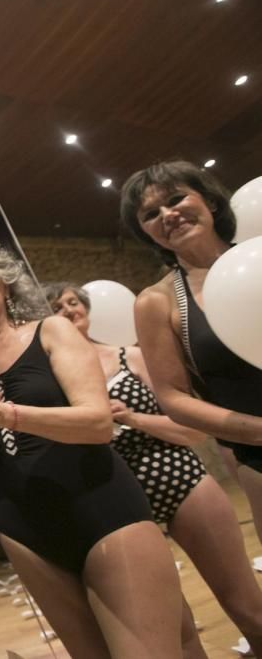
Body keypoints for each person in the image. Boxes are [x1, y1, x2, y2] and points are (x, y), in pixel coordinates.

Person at [0, 244, 183, 658]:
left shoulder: (52, 330)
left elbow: (97, 423)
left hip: (100, 505)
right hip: (24, 527)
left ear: (5, 285)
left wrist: (6, 414)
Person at [49, 282, 262, 655]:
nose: (68, 310)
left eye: (73, 302)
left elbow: (193, 430)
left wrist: (133, 418)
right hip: (117, 504)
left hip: (179, 479)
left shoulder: (130, 356)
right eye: (57, 307)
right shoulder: (52, 383)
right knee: (174, 629)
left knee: (246, 605)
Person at [120, 159, 262, 545]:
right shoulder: (156, 302)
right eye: (151, 214)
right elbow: (174, 399)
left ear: (210, 201)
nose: (168, 214)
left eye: (176, 198)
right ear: (147, 233)